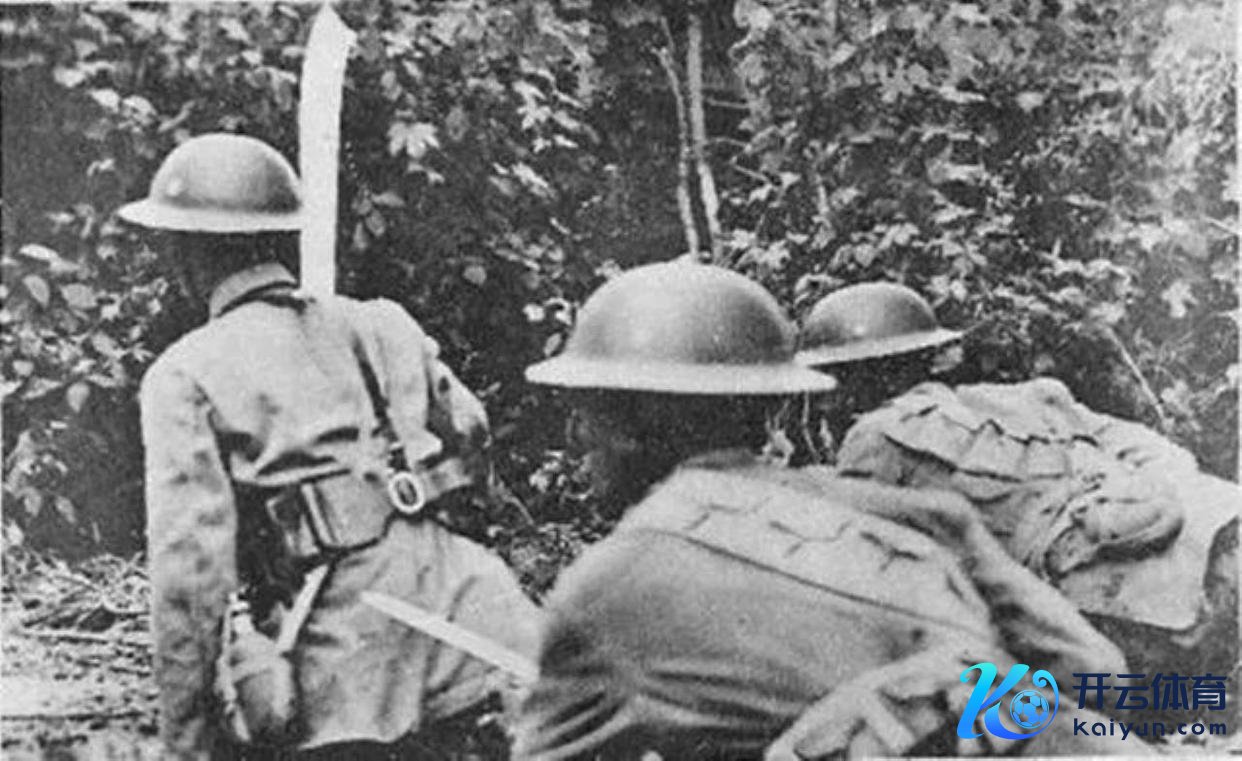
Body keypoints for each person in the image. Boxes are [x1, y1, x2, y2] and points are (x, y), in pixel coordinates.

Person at [514, 262, 1127, 760]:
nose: (576, 436)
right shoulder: (925, 515)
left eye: (584, 412)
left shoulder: (603, 592)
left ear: (625, 426)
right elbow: (1099, 671)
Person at [121, 133, 539, 760]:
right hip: (478, 616)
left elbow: (190, 578)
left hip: (350, 656)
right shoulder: (380, 322)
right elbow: (471, 430)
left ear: (186, 253)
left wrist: (188, 741)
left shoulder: (185, 373)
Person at [794, 281, 1239, 685]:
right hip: (1213, 530)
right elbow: (1162, 455)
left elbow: (855, 570)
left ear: (856, 375)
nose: (829, 397)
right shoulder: (1026, 396)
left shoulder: (874, 437)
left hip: (1127, 604)